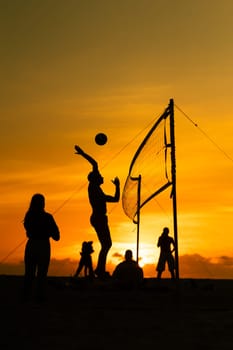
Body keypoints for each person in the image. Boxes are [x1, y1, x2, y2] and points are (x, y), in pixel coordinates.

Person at [75, 145, 120, 278]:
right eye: (99, 175)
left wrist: (117, 186)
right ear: (95, 178)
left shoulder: (98, 190)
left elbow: (116, 199)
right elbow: (94, 163)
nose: (101, 175)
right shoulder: (93, 188)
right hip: (98, 217)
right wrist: (83, 153)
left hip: (99, 217)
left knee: (106, 244)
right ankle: (100, 270)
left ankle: (100, 269)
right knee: (106, 244)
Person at [23, 193, 60, 301]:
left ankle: (27, 296)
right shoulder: (48, 217)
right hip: (43, 246)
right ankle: (39, 296)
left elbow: (28, 230)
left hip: (31, 245)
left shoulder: (28, 216)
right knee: (42, 273)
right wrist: (47, 231)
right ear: (43, 203)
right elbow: (57, 236)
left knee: (29, 273)